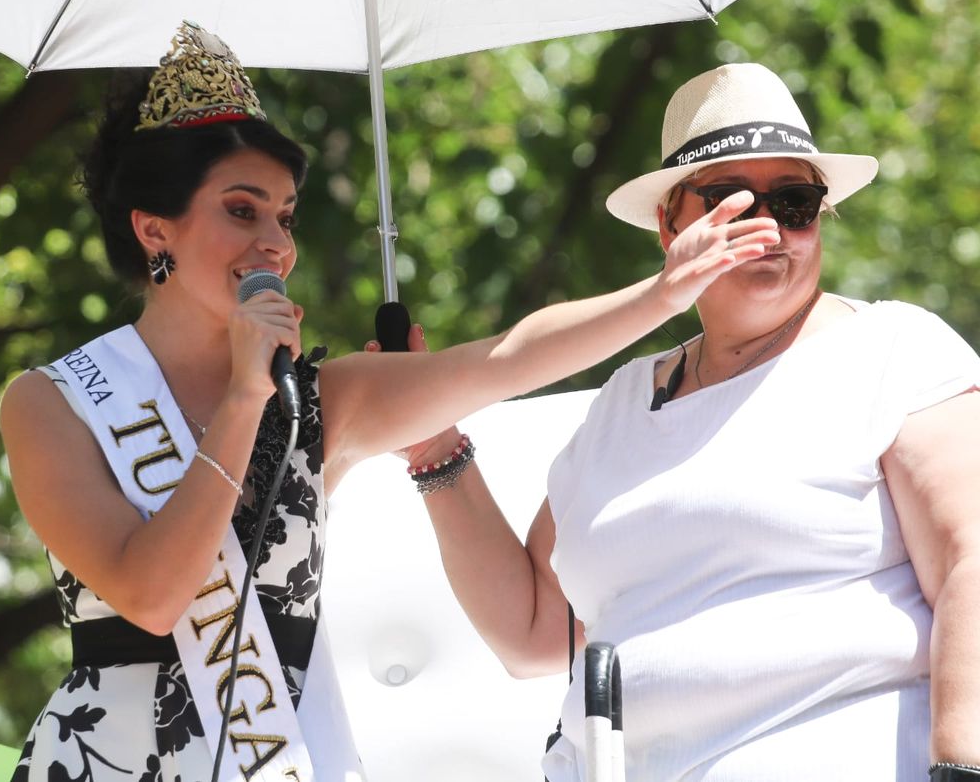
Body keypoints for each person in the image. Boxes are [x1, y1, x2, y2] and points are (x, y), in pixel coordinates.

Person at [0, 24, 777, 782]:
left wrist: (662, 293)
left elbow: (504, 361)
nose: (276, 244)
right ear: (153, 230)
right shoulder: (54, 404)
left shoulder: (317, 402)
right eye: (242, 209)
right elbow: (153, 597)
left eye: (285, 216)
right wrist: (242, 399)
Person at [397, 62, 980, 781]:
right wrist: (435, 447)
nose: (766, 227)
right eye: (731, 200)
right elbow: (535, 632)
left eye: (794, 202)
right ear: (668, 224)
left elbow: (970, 561)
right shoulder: (624, 400)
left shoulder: (893, 349)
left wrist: (961, 769)